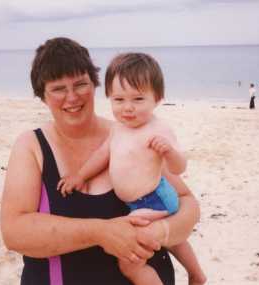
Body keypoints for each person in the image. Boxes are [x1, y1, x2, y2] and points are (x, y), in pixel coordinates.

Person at [0, 37, 200, 285]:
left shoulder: (129, 135)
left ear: (95, 85)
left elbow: (186, 203)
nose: (72, 97)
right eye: (58, 88)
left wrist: (160, 232)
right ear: (43, 95)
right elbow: (14, 232)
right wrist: (101, 232)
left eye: (80, 84)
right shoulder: (31, 146)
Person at [57, 53, 207, 285]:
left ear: (157, 98)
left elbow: (179, 168)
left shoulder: (158, 130)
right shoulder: (118, 129)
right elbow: (102, 155)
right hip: (138, 201)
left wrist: (168, 152)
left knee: (129, 262)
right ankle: (196, 274)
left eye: (138, 99)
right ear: (109, 97)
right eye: (119, 100)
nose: (128, 108)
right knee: (175, 241)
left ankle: (187, 275)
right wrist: (80, 175)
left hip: (155, 200)